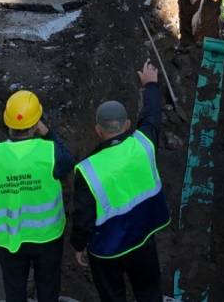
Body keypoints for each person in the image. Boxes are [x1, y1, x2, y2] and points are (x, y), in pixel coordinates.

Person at [0, 90, 74, 302]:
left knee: (14, 287)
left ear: (7, 122)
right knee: (48, 285)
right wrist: (48, 133)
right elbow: (68, 160)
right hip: (46, 236)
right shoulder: (50, 152)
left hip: (8, 237)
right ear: (36, 122)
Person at [72, 60, 169, 302]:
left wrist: (78, 245)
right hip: (143, 239)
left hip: (107, 250)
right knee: (149, 292)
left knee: (112, 297)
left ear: (98, 130)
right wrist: (151, 85)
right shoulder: (143, 144)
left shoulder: (87, 170)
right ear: (127, 125)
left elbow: (83, 217)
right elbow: (152, 115)